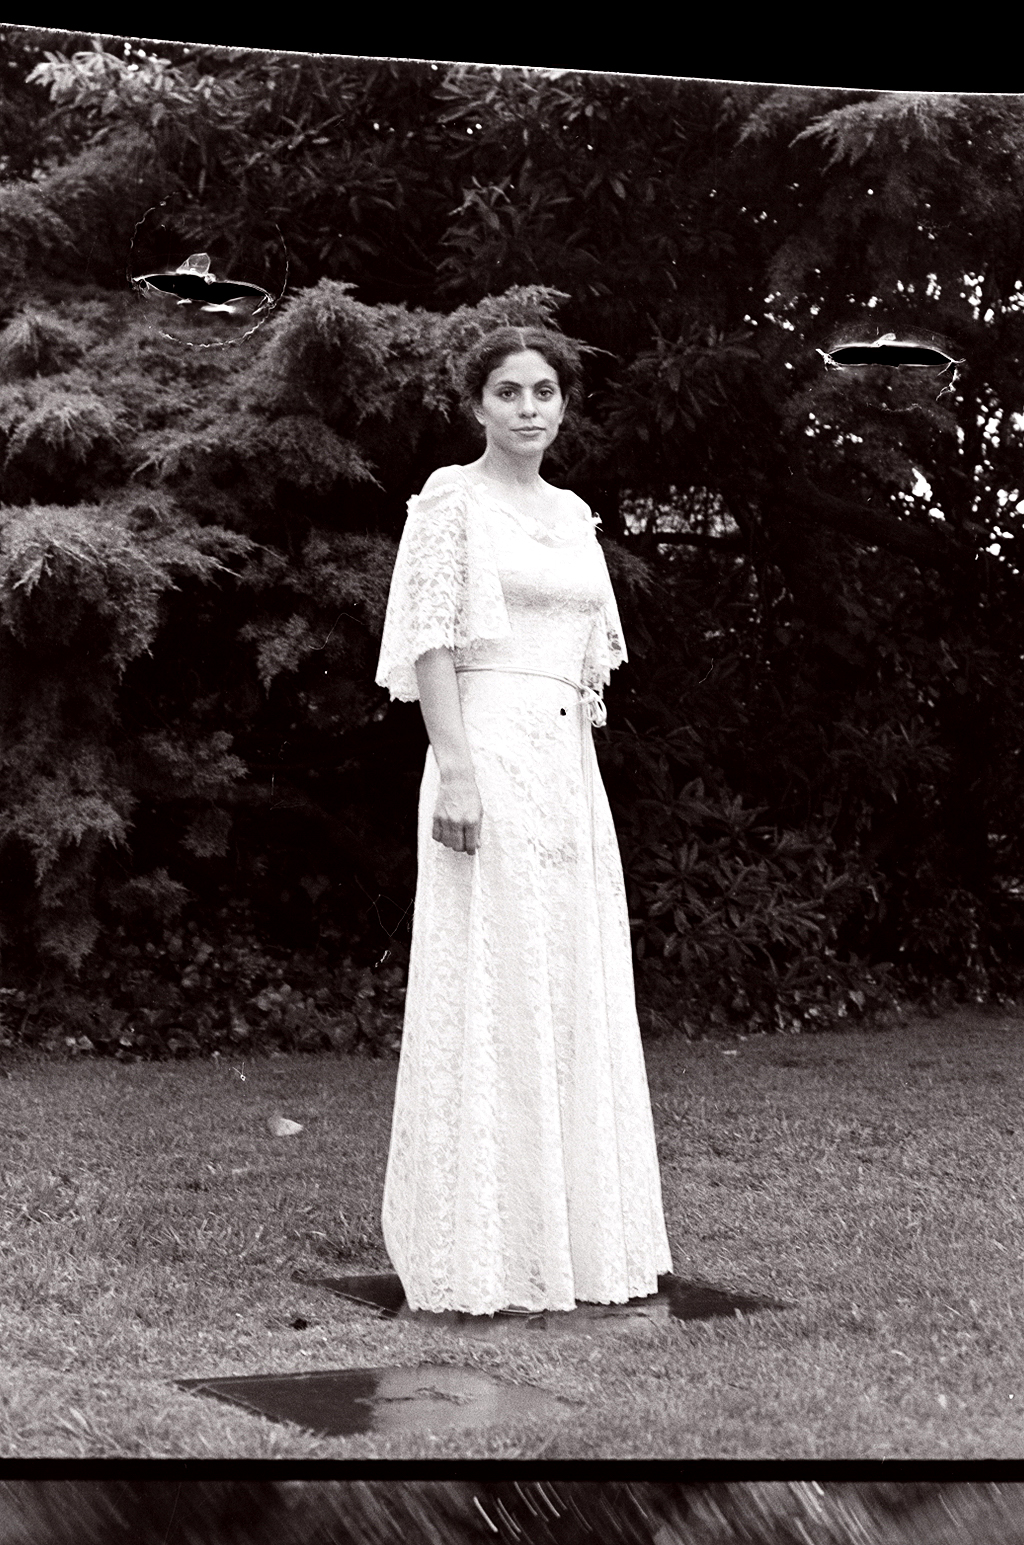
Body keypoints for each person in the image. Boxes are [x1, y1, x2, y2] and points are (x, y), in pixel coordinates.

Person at [374, 324, 673, 1316]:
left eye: (544, 390)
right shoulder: (449, 502)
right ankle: (480, 1246)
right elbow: (431, 644)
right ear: (478, 405)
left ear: (564, 403)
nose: (529, 407)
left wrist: (566, 763)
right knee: (492, 981)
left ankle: (569, 1242)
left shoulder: (575, 514)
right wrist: (457, 772)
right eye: (509, 391)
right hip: (485, 756)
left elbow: (587, 658)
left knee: (566, 983)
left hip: (564, 770)